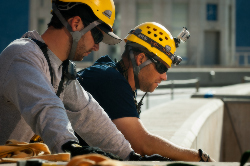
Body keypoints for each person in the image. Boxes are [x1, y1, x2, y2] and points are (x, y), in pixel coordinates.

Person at [0, 0, 171, 161]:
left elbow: (89, 115)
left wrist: (130, 157)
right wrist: (70, 147)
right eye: (97, 36)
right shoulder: (22, 55)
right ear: (76, 24)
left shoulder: (61, 69)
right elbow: (45, 105)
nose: (97, 46)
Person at [77, 22, 215, 162]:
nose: (164, 77)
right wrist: (199, 157)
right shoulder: (111, 80)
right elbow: (142, 144)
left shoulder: (112, 74)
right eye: (161, 67)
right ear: (140, 59)